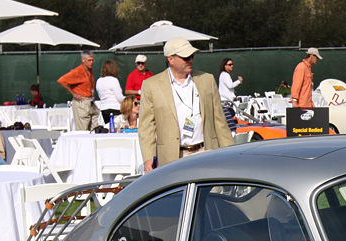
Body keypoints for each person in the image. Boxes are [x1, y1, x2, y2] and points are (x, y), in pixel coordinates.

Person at [137, 38, 234, 173]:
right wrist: (148, 159)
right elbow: (146, 127)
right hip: (172, 158)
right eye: (186, 57)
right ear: (171, 59)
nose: (191, 60)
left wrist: (229, 151)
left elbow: (220, 121)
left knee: (212, 194)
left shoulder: (207, 80)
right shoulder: (151, 85)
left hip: (206, 152)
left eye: (192, 56)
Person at [57, 50, 99, 131]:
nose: (91, 62)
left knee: (95, 128)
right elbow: (61, 80)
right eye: (89, 60)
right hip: (82, 101)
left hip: (90, 101)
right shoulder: (77, 71)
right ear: (83, 60)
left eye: (93, 60)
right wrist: (73, 93)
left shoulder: (90, 70)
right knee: (83, 129)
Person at [95, 59, 125, 126]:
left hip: (103, 109)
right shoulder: (114, 80)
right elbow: (119, 97)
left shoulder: (99, 81)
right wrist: (127, 100)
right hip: (115, 108)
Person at [218, 57, 242, 132]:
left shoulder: (224, 74)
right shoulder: (225, 74)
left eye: (232, 64)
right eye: (230, 64)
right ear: (225, 66)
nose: (232, 66)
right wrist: (239, 81)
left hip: (227, 102)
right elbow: (230, 85)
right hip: (226, 103)